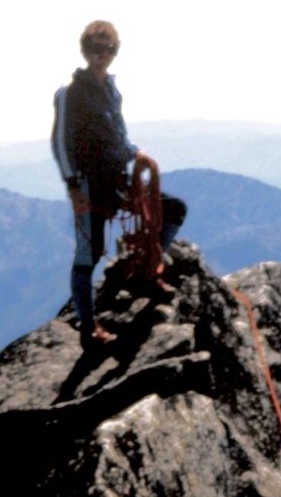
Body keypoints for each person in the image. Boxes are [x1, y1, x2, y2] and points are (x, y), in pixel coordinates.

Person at [51, 20, 186, 349]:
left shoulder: (112, 90)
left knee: (170, 210)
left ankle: (148, 271)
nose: (102, 55)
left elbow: (117, 136)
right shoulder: (70, 93)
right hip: (89, 184)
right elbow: (60, 142)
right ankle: (88, 328)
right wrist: (73, 187)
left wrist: (134, 152)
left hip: (117, 178)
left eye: (108, 48)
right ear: (85, 51)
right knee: (88, 254)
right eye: (96, 49)